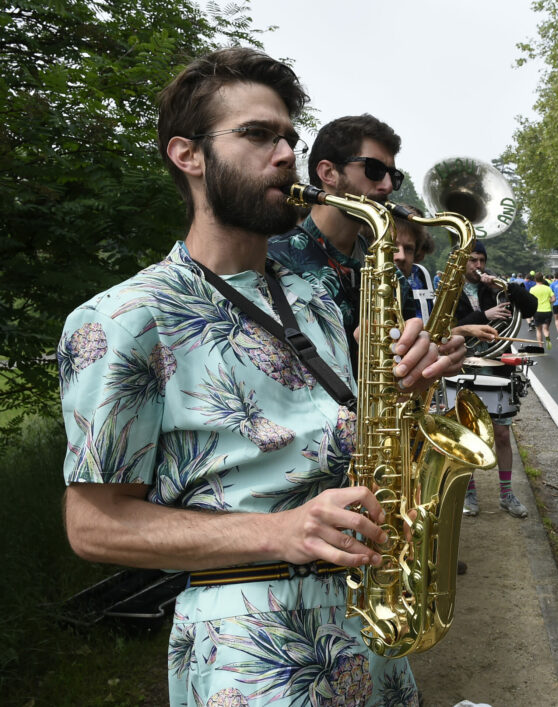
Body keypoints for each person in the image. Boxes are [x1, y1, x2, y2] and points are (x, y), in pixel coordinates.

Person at [58, 47, 465, 704]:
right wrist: (276, 530)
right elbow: (93, 524)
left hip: (369, 638)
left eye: (288, 138)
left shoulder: (311, 295)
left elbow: (353, 464)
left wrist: (403, 397)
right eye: (256, 135)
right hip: (248, 656)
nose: (284, 155)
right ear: (187, 155)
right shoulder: (125, 317)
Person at [267, 114, 404, 369]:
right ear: (328, 173)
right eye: (374, 170)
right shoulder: (271, 261)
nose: (387, 186)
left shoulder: (392, 276)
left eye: (394, 176)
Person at [455, 242, 538, 518]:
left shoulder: (495, 289)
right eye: (472, 260)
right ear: (462, 262)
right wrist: (485, 316)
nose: (478, 266)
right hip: (464, 368)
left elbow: (530, 307)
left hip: (497, 367)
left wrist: (508, 287)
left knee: (502, 434)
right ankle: (469, 493)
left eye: (481, 260)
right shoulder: (450, 292)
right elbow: (448, 328)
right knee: (467, 435)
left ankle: (506, 494)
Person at [531, 273, 555, 348]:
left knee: (538, 330)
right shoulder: (548, 288)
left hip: (537, 311)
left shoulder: (532, 289)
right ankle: (547, 339)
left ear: (535, 279)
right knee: (546, 329)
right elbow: (554, 298)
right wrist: (549, 302)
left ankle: (540, 347)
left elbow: (530, 300)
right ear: (543, 279)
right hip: (547, 310)